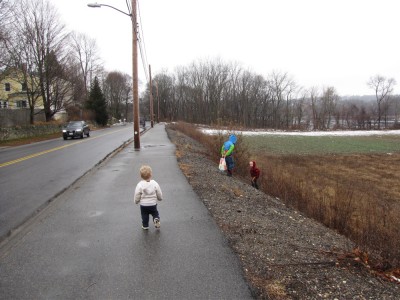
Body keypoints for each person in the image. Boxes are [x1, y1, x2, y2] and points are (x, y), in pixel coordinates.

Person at [134, 165, 163, 230]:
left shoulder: (140, 185)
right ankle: (156, 219)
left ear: (141, 176)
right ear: (151, 174)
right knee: (155, 213)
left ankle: (145, 225)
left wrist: (136, 201)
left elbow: (137, 194)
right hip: (153, 204)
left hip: (143, 205)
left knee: (144, 215)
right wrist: (160, 198)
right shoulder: (155, 183)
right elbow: (159, 192)